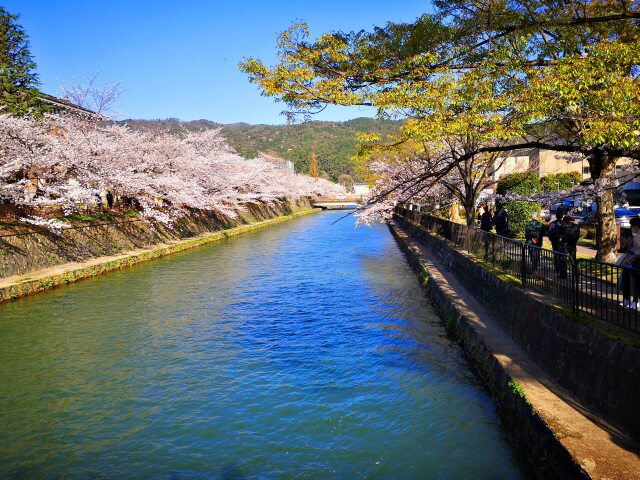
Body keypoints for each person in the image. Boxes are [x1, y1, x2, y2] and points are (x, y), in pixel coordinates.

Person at [619, 217, 640, 308]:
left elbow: (638, 251)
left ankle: (635, 301)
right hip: (630, 258)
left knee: (636, 281)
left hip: (636, 260)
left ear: (636, 225)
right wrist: (624, 242)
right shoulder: (634, 234)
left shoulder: (638, 235)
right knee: (626, 279)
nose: (631, 227)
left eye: (632, 225)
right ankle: (626, 299)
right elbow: (631, 246)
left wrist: (630, 259)